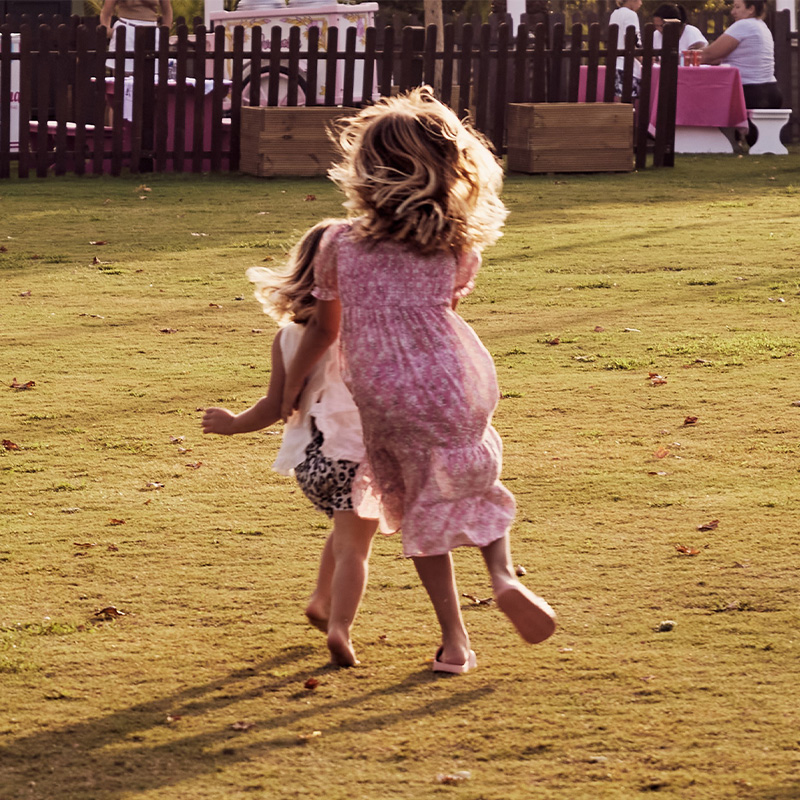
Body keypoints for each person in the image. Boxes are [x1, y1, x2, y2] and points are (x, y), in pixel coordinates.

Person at [281, 88, 556, 675]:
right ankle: (502, 575)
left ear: (368, 169)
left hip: (384, 393)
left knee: (419, 506)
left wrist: (287, 389)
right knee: (476, 475)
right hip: (455, 380)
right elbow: (443, 308)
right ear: (451, 168)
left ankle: (455, 640)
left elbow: (324, 330)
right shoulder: (455, 247)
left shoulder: (337, 244)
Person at [201, 220, 379, 668]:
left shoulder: (287, 336)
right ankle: (339, 626)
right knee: (356, 547)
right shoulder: (364, 330)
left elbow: (273, 405)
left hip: (310, 464)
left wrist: (233, 424)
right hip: (354, 454)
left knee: (344, 532)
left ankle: (321, 599)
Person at [699, 0, 782, 146]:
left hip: (749, 93)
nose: (732, 12)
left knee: (701, 93)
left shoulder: (744, 25)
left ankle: (707, 138)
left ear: (751, 9)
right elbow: (718, 57)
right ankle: (739, 139)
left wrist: (679, 56)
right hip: (771, 91)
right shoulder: (761, 26)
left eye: (737, 7)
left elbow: (709, 55)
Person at [100, 0, 173, 74]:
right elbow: (107, 10)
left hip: (152, 31)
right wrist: (107, 29)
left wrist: (165, 32)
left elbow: (167, 11)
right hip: (126, 29)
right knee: (123, 76)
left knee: (152, 74)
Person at [608, 0, 643, 97]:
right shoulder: (631, 15)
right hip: (629, 66)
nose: (641, 3)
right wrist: (642, 59)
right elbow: (630, 41)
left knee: (620, 105)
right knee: (629, 106)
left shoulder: (614, 14)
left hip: (616, 64)